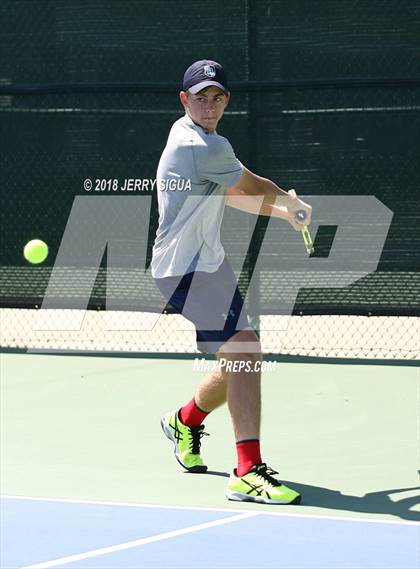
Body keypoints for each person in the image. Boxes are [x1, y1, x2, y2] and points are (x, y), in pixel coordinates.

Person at [151, 60, 312, 505]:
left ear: (226, 100)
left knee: (237, 358)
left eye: (217, 97)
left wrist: (281, 213)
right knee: (245, 350)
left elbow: (230, 192)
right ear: (185, 100)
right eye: (200, 97)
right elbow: (253, 183)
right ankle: (246, 471)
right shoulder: (200, 145)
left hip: (210, 265)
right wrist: (290, 199)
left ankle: (185, 420)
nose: (209, 104)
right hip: (183, 269)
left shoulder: (197, 140)